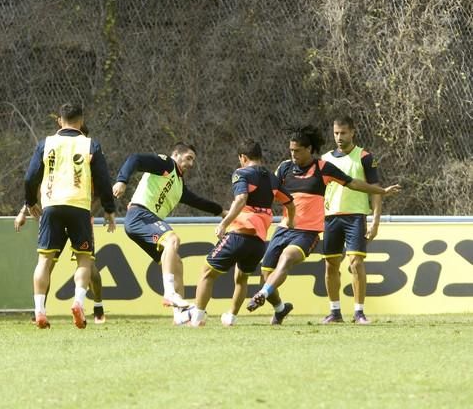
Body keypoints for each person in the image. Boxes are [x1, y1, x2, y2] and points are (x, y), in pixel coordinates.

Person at [245, 124, 401, 323]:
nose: (293, 154)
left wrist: (381, 191)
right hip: (284, 228)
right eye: (291, 150)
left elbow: (352, 182)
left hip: (307, 232)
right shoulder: (284, 168)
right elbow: (270, 191)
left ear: (309, 149)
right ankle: (280, 308)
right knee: (266, 272)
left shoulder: (323, 168)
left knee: (286, 258)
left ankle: (263, 295)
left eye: (297, 151)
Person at [113, 142, 227, 325]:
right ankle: (170, 293)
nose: (191, 163)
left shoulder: (179, 185)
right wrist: (122, 180)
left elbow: (197, 201)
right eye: (188, 158)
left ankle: (179, 316)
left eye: (193, 160)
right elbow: (134, 159)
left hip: (145, 220)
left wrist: (220, 211)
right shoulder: (166, 164)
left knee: (177, 263)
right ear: (176, 154)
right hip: (140, 215)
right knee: (172, 239)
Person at [23, 103, 116, 329]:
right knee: (84, 259)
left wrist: (30, 202)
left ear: (59, 121)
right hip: (79, 207)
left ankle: (39, 311)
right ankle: (78, 303)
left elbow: (30, 177)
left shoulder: (46, 143)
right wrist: (109, 209)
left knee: (44, 260)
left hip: (51, 206)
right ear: (81, 121)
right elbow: (103, 180)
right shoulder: (90, 144)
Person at [189, 140, 295, 327]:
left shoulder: (241, 173)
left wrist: (224, 224)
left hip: (238, 234)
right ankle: (230, 317)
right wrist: (290, 222)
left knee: (207, 273)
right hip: (258, 243)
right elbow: (290, 203)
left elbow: (241, 199)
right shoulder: (272, 178)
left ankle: (197, 319)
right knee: (242, 278)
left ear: (242, 158)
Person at [321, 116, 381, 324]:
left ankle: (359, 312)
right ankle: (335, 312)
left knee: (356, 263)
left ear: (353, 132)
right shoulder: (325, 159)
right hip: (330, 218)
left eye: (343, 132)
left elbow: (376, 191)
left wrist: (375, 221)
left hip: (355, 216)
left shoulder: (364, 156)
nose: (339, 137)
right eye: (336, 133)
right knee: (330, 265)